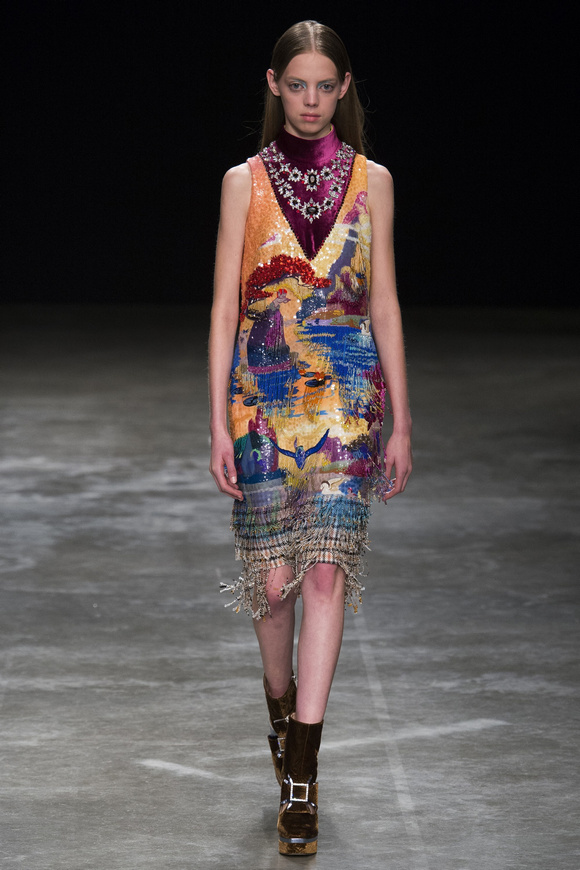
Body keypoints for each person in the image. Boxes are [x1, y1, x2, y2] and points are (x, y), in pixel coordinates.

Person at [208, 20, 412, 856]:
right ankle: (281, 709)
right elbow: (226, 308)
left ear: (345, 88)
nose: (311, 100)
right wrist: (216, 421)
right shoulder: (243, 183)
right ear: (273, 85)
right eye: (297, 85)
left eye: (326, 85)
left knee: (326, 573)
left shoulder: (374, 182)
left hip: (349, 403)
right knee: (275, 585)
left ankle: (301, 776)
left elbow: (384, 302)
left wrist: (403, 419)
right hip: (262, 402)